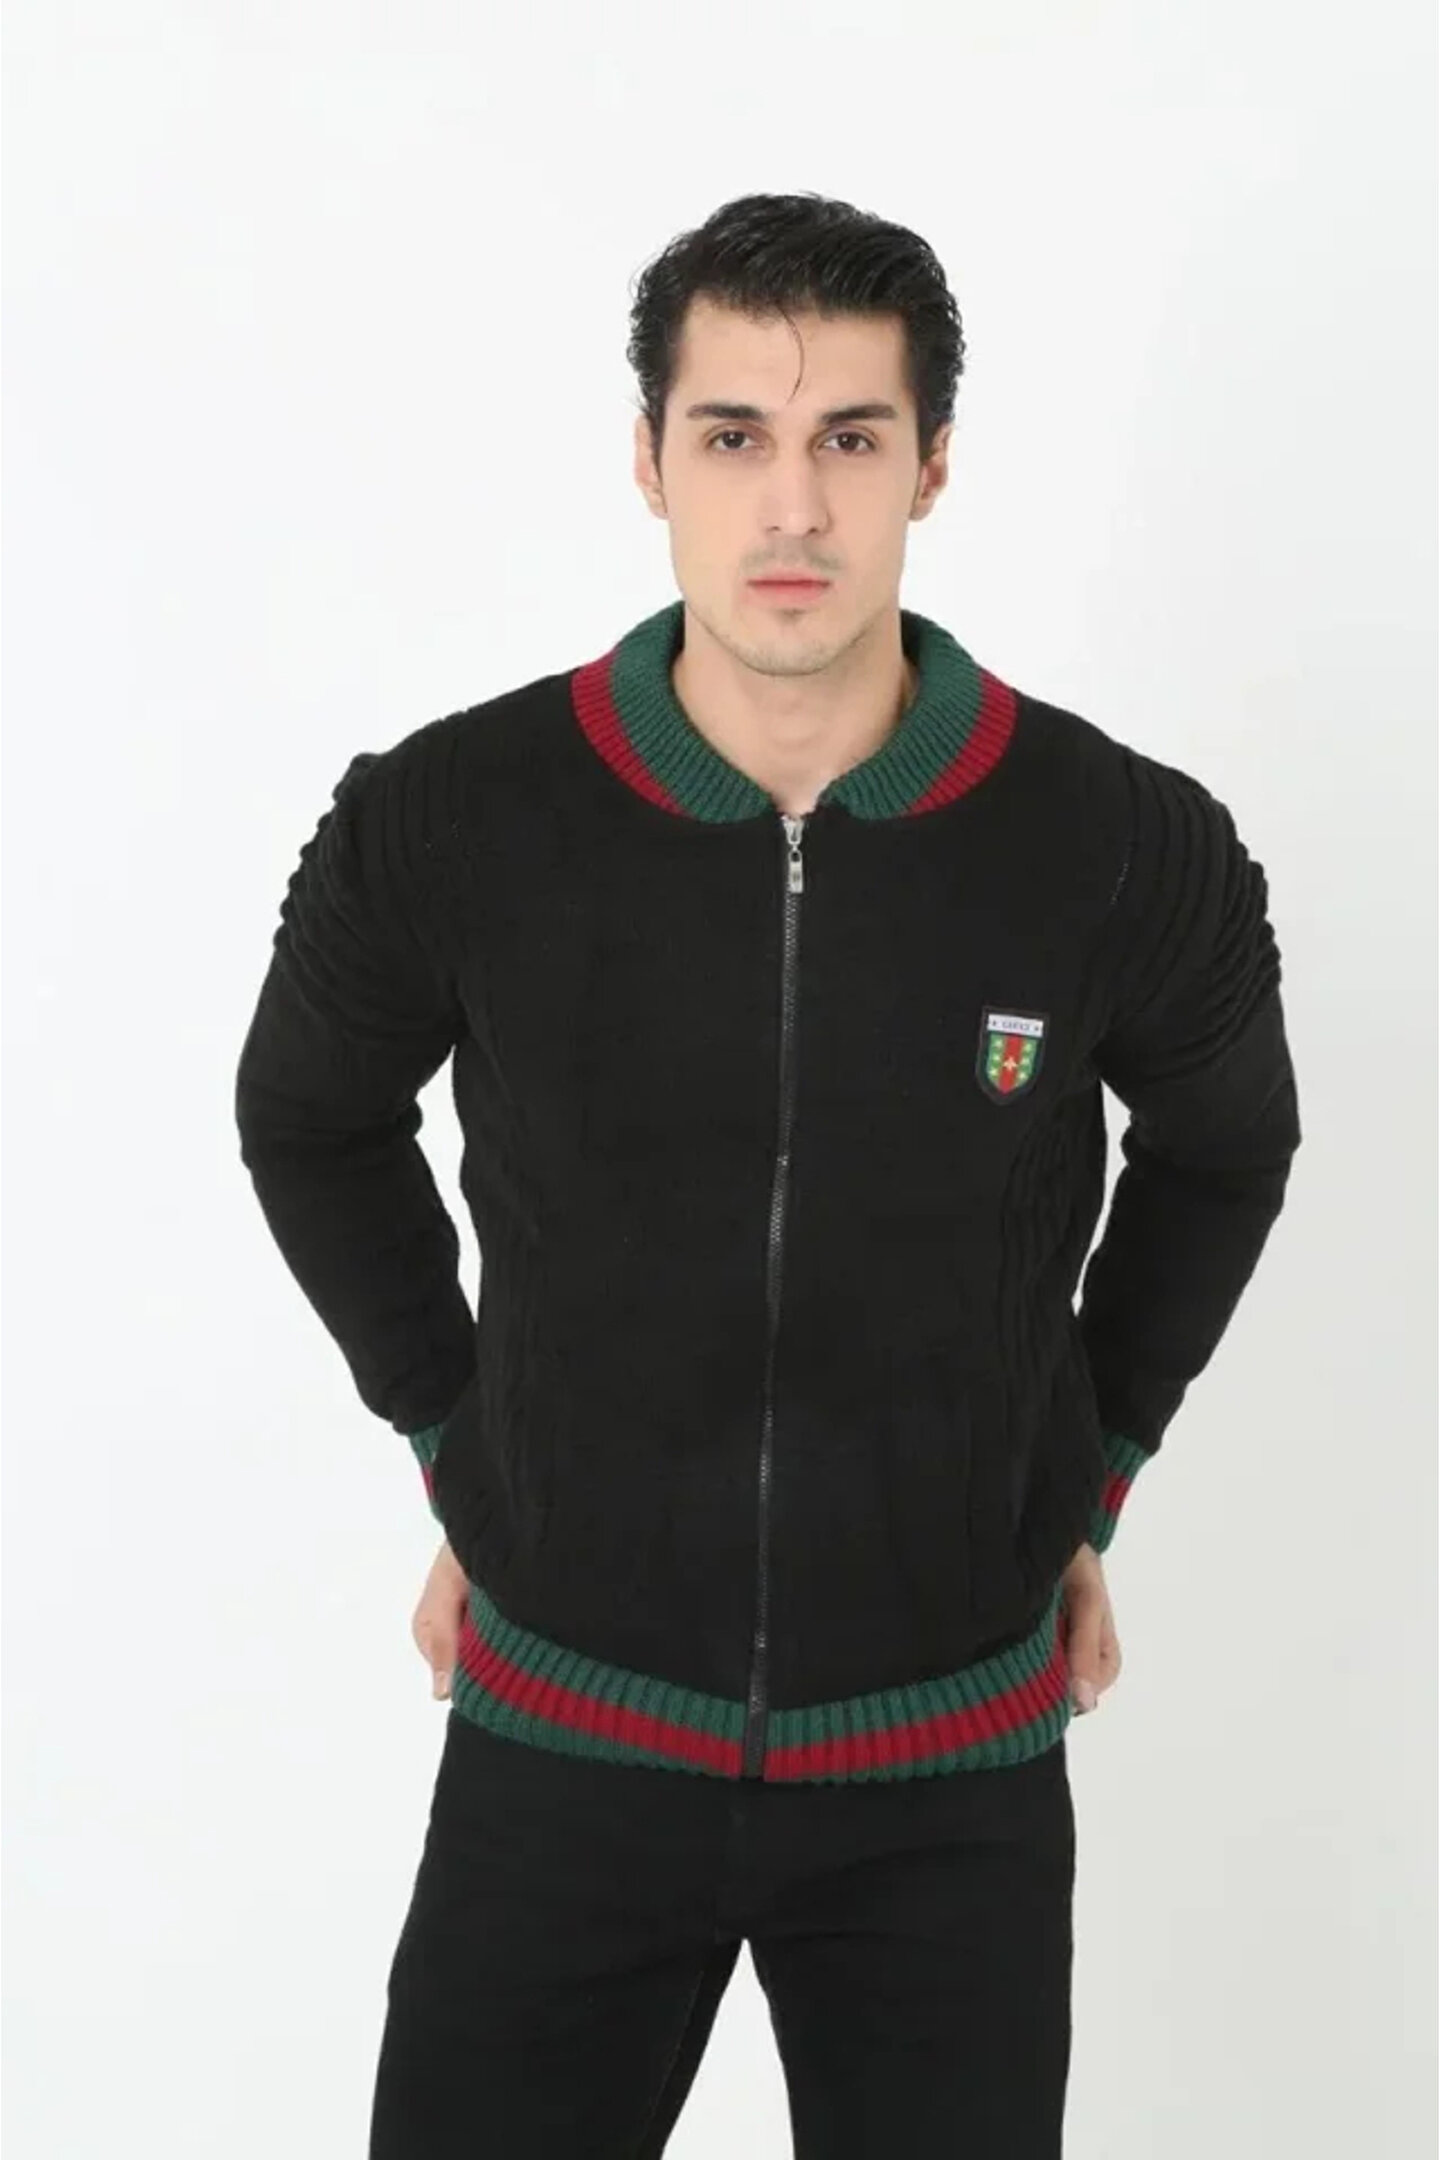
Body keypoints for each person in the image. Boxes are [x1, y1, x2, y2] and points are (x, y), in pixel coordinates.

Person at [234, 189, 1303, 2158]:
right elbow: (308, 1115)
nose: (791, 506)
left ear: (933, 464)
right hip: (563, 1747)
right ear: (650, 460)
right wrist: (465, 1438)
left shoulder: (1118, 846)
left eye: (849, 438)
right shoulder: (450, 820)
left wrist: (1085, 1467)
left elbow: (1227, 1147)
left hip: (949, 1781)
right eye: (734, 434)